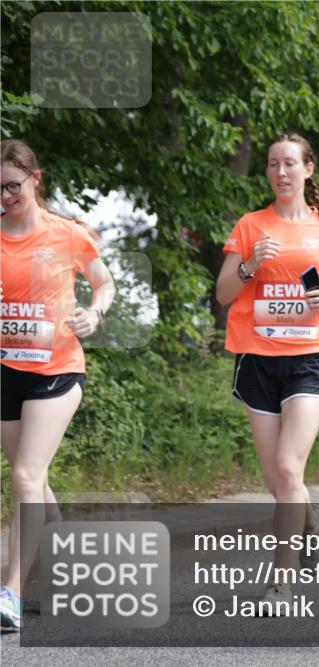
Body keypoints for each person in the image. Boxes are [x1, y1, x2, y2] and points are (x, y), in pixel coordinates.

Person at [215, 133, 319, 611]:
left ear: (308, 170)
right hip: (257, 359)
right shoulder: (250, 225)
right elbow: (223, 293)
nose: (281, 172)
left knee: (287, 467)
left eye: (290, 164)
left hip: (309, 357)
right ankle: (310, 521)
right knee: (279, 480)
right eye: (273, 165)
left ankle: (280, 584)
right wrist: (248, 268)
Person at [1, 139, 116, 630]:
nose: (4, 197)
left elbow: (104, 282)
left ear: (35, 179)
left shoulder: (68, 235)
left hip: (57, 370)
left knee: (25, 477)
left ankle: (9, 591)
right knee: (36, 480)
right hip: (7, 371)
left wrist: (95, 311)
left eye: (12, 186)